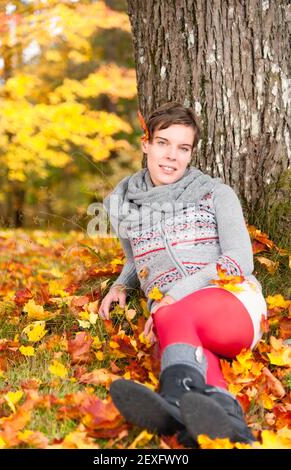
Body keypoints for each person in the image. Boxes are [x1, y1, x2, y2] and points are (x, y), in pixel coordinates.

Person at [99, 102, 267, 445]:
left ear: (191, 154)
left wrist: (176, 294)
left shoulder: (216, 194)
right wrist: (120, 284)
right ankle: (228, 420)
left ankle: (173, 397)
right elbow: (137, 258)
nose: (171, 156)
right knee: (184, 339)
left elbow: (239, 259)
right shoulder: (124, 204)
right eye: (163, 143)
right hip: (177, 322)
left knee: (170, 315)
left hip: (233, 306)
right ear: (146, 143)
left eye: (183, 147)